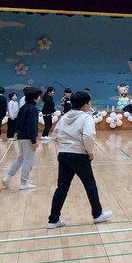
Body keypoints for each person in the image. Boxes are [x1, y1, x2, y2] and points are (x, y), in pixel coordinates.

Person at [47, 90, 113, 229]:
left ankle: (53, 219)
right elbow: (88, 136)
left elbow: (55, 135)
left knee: (62, 187)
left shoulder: (65, 117)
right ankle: (97, 214)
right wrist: (90, 152)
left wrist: (64, 146)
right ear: (85, 105)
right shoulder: (86, 118)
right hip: (79, 155)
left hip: (63, 154)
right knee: (90, 184)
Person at [2, 87, 42, 190]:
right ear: (35, 98)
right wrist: (33, 140)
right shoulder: (32, 109)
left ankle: (7, 177)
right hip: (28, 138)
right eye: (38, 96)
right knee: (28, 161)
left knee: (21, 158)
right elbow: (31, 126)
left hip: (21, 137)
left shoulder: (23, 107)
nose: (39, 98)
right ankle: (24, 183)